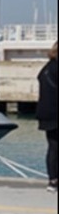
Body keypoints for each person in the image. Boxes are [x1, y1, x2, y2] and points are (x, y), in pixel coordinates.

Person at [39, 41, 58, 193]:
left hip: (46, 112)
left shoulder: (46, 68)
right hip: (55, 111)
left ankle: (52, 180)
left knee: (53, 147)